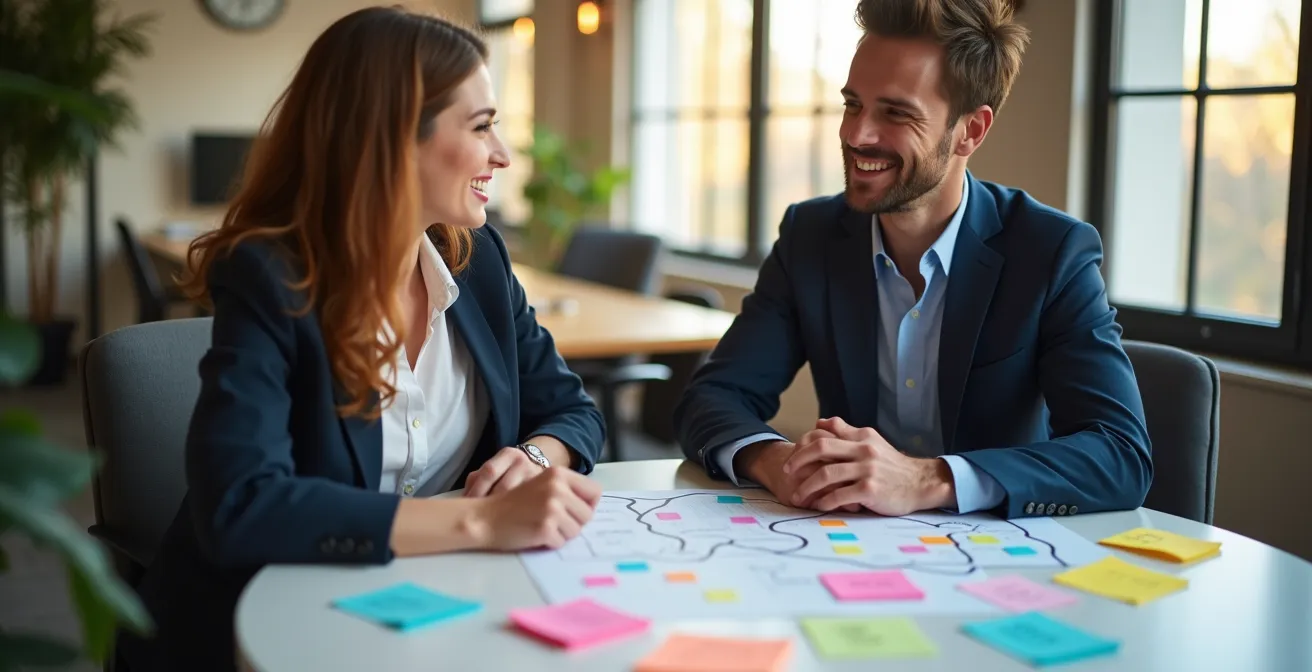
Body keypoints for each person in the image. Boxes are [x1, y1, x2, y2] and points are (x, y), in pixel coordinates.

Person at [117, 7, 605, 671]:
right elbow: (240, 505)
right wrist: (483, 522)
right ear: (394, 137)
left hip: (433, 607)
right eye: (483, 125)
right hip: (263, 625)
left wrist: (535, 459)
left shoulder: (479, 262)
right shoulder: (271, 278)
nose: (503, 155)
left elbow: (573, 411)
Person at [674, 0, 1152, 520]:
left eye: (896, 113)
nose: (857, 135)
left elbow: (1120, 455)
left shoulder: (1050, 252)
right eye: (853, 105)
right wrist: (780, 463)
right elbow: (713, 398)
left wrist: (928, 478)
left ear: (970, 130)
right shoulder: (810, 237)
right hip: (844, 551)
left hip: (998, 562)